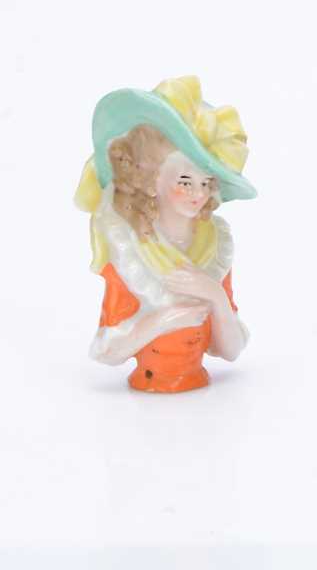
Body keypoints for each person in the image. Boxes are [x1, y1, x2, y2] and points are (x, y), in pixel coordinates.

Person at [75, 76, 255, 393]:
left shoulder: (213, 244)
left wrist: (215, 295)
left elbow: (230, 350)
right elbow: (106, 350)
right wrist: (164, 320)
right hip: (145, 391)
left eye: (206, 183)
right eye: (185, 182)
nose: (198, 194)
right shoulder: (129, 248)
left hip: (205, 400)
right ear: (150, 178)